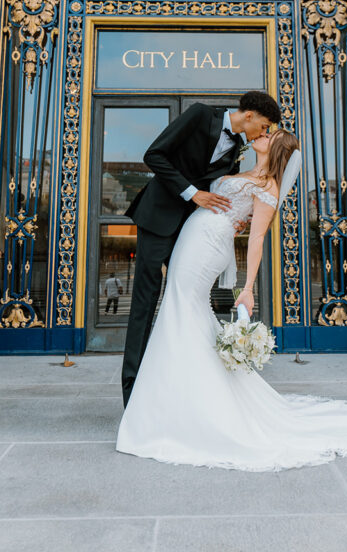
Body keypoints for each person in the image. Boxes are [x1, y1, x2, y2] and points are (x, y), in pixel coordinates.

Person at [116, 128, 347, 471]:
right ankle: (176, 399)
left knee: (183, 306)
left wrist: (248, 286)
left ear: (277, 148)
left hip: (210, 245)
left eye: (270, 135)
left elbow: (256, 239)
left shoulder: (267, 187)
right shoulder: (242, 171)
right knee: (181, 308)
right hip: (193, 238)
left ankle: (186, 406)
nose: (262, 134)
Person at [121, 90, 282, 407]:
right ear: (248, 115)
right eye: (264, 126)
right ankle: (132, 394)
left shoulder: (236, 146)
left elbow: (224, 190)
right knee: (145, 302)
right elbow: (154, 155)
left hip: (193, 232)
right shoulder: (198, 114)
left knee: (186, 305)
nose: (264, 134)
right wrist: (192, 193)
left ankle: (181, 390)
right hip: (157, 219)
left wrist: (238, 214)